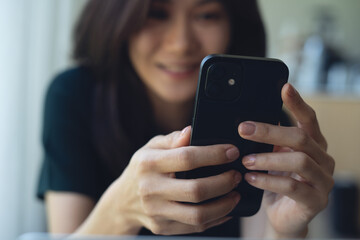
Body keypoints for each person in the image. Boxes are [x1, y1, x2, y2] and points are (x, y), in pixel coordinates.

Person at [37, 0, 335, 238]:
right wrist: (121, 211)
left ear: (234, 23)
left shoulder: (265, 125)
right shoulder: (75, 95)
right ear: (115, 18)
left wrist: (285, 232)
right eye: (156, 13)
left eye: (206, 15)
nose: (181, 43)